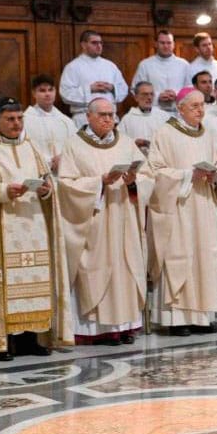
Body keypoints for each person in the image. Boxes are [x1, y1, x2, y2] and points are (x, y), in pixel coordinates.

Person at [0, 97, 72, 362]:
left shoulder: (30, 147)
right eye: (10, 119)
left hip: (33, 226)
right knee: (7, 286)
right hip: (2, 227)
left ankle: (32, 339)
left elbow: (47, 180)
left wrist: (46, 190)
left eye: (20, 118)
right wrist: (2, 191)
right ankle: (3, 343)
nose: (16, 124)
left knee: (35, 284)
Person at [57, 97, 153, 346]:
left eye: (111, 115)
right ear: (88, 117)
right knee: (97, 269)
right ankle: (96, 330)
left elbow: (147, 176)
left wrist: (133, 181)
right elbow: (66, 184)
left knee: (125, 267)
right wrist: (100, 182)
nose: (108, 119)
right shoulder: (74, 145)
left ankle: (125, 326)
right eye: (102, 115)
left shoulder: (126, 143)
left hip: (123, 218)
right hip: (95, 221)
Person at [147, 88, 217, 337]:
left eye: (202, 105)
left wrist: (215, 177)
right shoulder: (165, 133)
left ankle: (202, 317)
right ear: (180, 108)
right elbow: (154, 173)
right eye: (194, 106)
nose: (200, 110)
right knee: (179, 256)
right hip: (179, 207)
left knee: (205, 259)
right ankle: (176, 318)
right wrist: (186, 175)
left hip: (205, 204)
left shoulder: (208, 135)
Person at [60, 30, 128, 126]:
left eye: (100, 43)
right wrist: (90, 89)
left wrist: (112, 88)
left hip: (109, 117)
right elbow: (65, 93)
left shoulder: (110, 66)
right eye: (94, 43)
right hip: (84, 119)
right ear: (83, 45)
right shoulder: (73, 67)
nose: (99, 46)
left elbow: (123, 89)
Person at [23, 75, 77, 172]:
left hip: (64, 171)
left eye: (50, 90)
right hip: (38, 172)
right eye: (42, 90)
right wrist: (49, 163)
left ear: (55, 92)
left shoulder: (66, 121)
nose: (47, 94)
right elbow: (24, 149)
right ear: (34, 93)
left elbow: (76, 146)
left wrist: (63, 160)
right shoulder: (25, 120)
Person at [133, 30, 192, 113]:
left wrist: (177, 95)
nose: (166, 46)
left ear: (173, 44)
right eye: (162, 43)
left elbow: (190, 88)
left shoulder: (184, 64)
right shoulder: (145, 65)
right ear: (156, 44)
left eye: (169, 43)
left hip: (178, 112)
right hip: (153, 112)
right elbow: (135, 89)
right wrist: (157, 96)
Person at [118, 81, 168, 155]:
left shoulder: (164, 116)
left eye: (151, 94)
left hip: (160, 158)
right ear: (136, 97)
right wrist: (134, 143)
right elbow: (120, 142)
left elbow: (172, 138)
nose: (149, 97)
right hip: (136, 159)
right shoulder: (128, 119)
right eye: (145, 94)